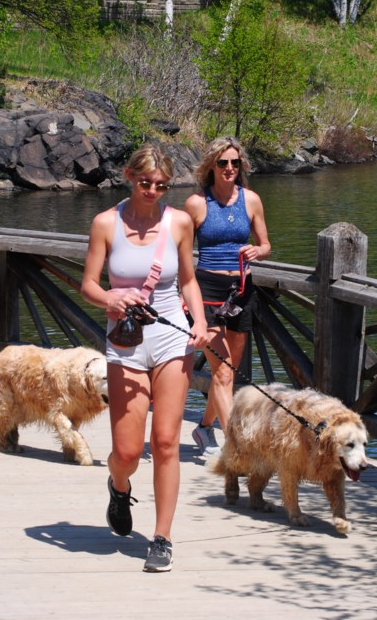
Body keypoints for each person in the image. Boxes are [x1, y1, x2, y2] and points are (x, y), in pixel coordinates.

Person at [81, 144, 208, 573]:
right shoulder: (105, 224)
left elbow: (188, 280)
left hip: (171, 338)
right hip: (126, 342)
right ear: (128, 177)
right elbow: (89, 287)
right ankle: (119, 486)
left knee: (167, 442)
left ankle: (162, 537)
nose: (153, 191)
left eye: (161, 185)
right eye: (145, 183)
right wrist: (112, 297)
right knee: (128, 450)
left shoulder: (180, 223)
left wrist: (201, 322)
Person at [183, 137, 271, 456]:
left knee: (228, 372)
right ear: (211, 167)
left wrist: (257, 251)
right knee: (221, 371)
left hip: (243, 291)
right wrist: (184, 292)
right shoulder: (197, 203)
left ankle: (205, 428)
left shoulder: (251, 200)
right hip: (207, 294)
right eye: (223, 163)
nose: (230, 168)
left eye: (235, 162)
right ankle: (238, 447)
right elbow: (179, 253)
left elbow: (265, 244)